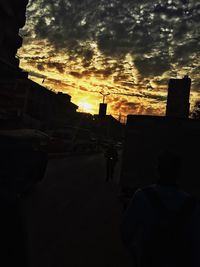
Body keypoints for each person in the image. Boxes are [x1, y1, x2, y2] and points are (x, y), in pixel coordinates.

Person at [120, 150, 200, 267]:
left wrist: (136, 255)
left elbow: (125, 232)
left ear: (157, 169)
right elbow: (196, 243)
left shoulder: (141, 196)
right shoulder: (192, 204)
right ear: (178, 172)